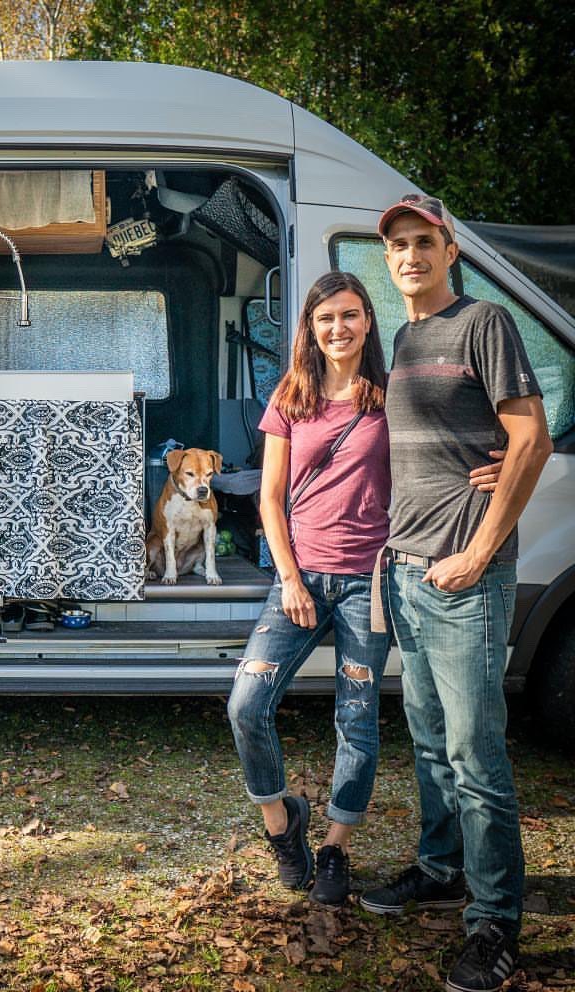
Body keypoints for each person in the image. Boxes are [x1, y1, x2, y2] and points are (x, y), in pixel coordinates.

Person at [226, 271, 500, 906]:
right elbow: (269, 497)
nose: (338, 328)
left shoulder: (388, 397)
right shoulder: (290, 397)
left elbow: (446, 439)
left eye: (350, 316)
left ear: (367, 322)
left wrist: (501, 460)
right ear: (311, 329)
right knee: (246, 704)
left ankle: (334, 851)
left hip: (367, 581)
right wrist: (288, 577)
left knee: (357, 720)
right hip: (300, 578)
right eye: (326, 319)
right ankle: (283, 826)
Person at [359, 194, 552, 992]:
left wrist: (478, 550)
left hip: (462, 574)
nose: (409, 255)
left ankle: (495, 921)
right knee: (433, 744)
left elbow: (532, 435)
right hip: (405, 569)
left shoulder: (485, 323)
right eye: (398, 245)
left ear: (449, 252)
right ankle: (441, 870)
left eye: (423, 242)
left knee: (477, 756)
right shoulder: (403, 338)